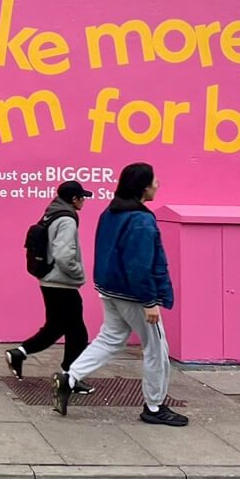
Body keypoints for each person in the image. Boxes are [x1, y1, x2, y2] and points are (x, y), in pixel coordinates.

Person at [53, 163, 188, 427]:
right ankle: (154, 406)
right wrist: (150, 301)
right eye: (154, 180)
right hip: (135, 295)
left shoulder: (111, 212)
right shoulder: (141, 220)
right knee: (157, 350)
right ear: (143, 187)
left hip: (110, 289)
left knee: (110, 339)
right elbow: (139, 264)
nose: (158, 184)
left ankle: (69, 378)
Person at [7, 181, 95, 394]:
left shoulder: (51, 213)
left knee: (55, 327)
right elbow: (64, 255)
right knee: (78, 333)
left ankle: (19, 353)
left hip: (49, 280)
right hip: (62, 282)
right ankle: (69, 377)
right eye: (82, 197)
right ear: (74, 199)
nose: (84, 201)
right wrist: (78, 273)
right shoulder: (67, 219)